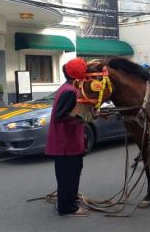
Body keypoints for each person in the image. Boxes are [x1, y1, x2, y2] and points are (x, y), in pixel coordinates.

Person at [45, 58, 88, 217]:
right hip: (66, 144)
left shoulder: (67, 87)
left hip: (67, 142)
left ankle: (70, 200)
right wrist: (80, 116)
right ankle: (67, 208)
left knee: (70, 175)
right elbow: (60, 116)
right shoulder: (70, 91)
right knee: (68, 177)